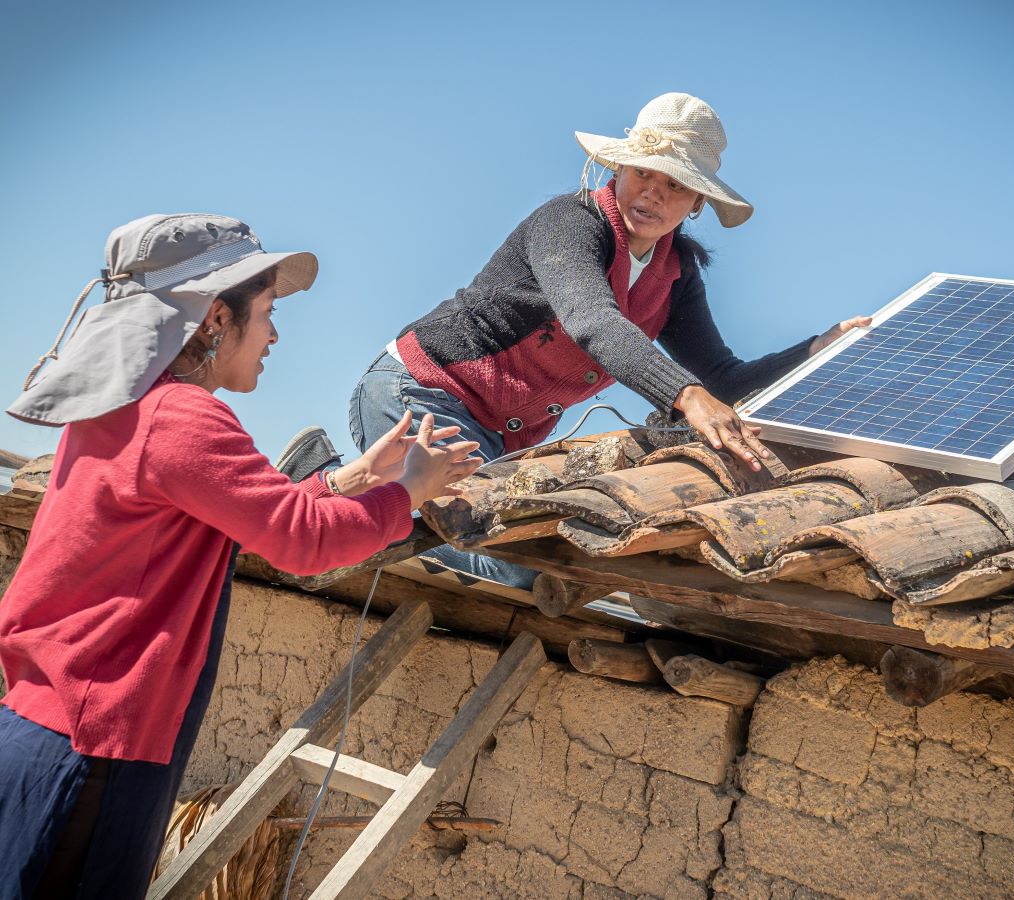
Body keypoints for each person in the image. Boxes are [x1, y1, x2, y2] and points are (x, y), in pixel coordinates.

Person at [0, 214, 481, 898]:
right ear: (217, 319)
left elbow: (241, 517)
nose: (276, 334)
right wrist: (408, 492)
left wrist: (357, 479)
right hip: (93, 748)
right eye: (269, 312)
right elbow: (303, 542)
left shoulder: (122, 408)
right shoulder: (182, 418)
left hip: (47, 729)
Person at [345, 93, 869, 588]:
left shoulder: (676, 272)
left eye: (676, 186)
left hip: (501, 436)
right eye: (643, 173)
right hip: (424, 395)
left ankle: (342, 495)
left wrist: (816, 350)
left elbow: (723, 379)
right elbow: (592, 319)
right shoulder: (569, 222)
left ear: (697, 205)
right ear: (618, 169)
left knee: (532, 559)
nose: (653, 194)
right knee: (499, 564)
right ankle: (325, 484)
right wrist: (686, 397)